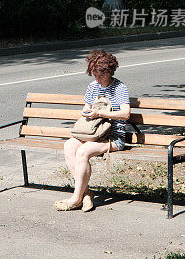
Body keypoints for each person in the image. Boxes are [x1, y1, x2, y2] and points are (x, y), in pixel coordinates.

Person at [54, 49, 130, 212]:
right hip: (92, 133)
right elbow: (86, 107)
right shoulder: (92, 87)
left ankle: (75, 199)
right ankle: (86, 193)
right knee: (69, 146)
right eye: (95, 75)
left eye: (101, 75)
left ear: (109, 71)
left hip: (113, 137)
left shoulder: (120, 88)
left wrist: (100, 113)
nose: (97, 79)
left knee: (83, 151)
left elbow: (125, 114)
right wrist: (86, 112)